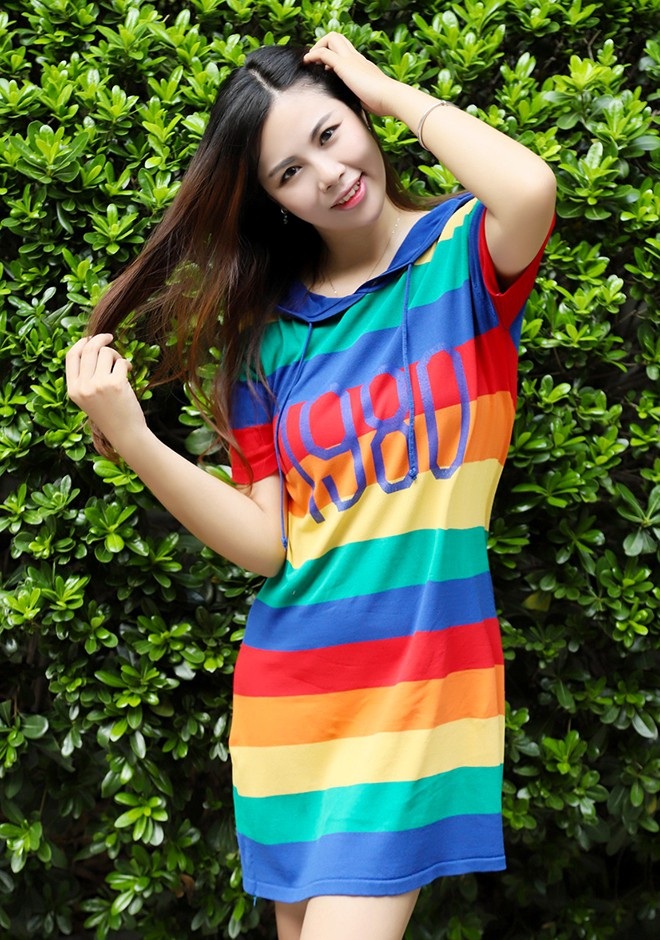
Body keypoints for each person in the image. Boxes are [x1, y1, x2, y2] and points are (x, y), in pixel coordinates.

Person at [66, 31, 556, 940]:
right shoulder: (269, 340)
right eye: (290, 172)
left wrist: (386, 86)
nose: (327, 176)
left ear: (361, 116)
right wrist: (133, 438)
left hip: (420, 686)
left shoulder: (463, 256)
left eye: (331, 134)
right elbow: (267, 545)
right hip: (293, 700)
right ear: (273, 202)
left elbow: (530, 187)